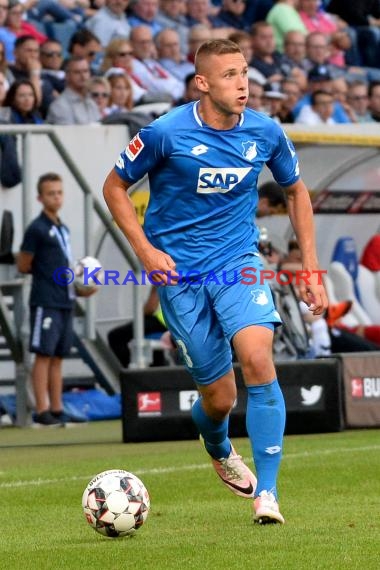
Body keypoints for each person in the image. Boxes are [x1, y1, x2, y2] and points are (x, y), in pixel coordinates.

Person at [103, 38, 327, 524]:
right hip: (180, 275)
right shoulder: (165, 132)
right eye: (229, 75)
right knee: (220, 397)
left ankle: (267, 494)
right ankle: (219, 445)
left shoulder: (265, 132)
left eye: (244, 72)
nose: (242, 82)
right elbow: (114, 186)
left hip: (237, 262)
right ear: (202, 83)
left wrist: (310, 270)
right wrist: (145, 250)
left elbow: (296, 192)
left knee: (258, 356)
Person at [17, 172, 88, 425]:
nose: (56, 197)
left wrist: (80, 286)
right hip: (46, 299)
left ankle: (57, 409)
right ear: (40, 197)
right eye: (51, 193)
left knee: (58, 356)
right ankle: (42, 409)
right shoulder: (37, 229)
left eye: (59, 192)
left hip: (64, 300)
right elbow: (24, 264)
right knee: (43, 354)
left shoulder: (62, 228)